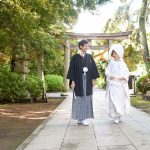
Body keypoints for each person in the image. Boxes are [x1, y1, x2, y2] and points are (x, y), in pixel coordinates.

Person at [67, 39, 99, 126]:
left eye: (87, 45)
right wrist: (72, 81)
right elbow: (72, 70)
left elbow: (93, 69)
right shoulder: (75, 57)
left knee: (86, 98)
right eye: (85, 45)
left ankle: (84, 118)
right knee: (79, 99)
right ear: (81, 46)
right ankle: (79, 118)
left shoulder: (89, 57)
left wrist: (93, 80)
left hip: (87, 80)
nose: (87, 47)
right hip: (78, 80)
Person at [105, 44, 130, 124]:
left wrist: (124, 77)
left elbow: (127, 72)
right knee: (113, 101)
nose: (113, 54)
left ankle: (119, 115)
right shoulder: (111, 63)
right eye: (113, 53)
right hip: (113, 85)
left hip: (120, 85)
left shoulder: (123, 64)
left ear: (118, 53)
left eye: (115, 52)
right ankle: (115, 116)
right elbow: (107, 71)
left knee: (120, 101)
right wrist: (110, 75)